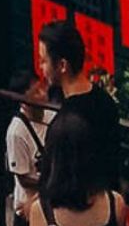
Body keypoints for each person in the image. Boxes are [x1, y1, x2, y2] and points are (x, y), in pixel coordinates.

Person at [38, 18, 121, 197]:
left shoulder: (64, 124)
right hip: (108, 204)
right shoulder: (106, 102)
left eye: (43, 61)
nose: (41, 68)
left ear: (62, 65)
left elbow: (52, 183)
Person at [6, 76, 46, 226]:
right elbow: (23, 178)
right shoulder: (17, 132)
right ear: (23, 101)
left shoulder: (52, 113)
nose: (43, 94)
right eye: (36, 92)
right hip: (27, 206)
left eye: (42, 88)